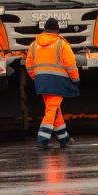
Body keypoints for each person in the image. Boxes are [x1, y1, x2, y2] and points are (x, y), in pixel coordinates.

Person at [26, 18, 79, 149]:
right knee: (52, 110)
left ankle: (64, 138)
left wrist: (36, 77)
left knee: (55, 109)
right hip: (57, 82)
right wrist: (75, 78)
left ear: (44, 29)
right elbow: (70, 64)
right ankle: (42, 139)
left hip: (41, 82)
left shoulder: (33, 44)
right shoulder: (61, 44)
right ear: (57, 30)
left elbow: (29, 65)